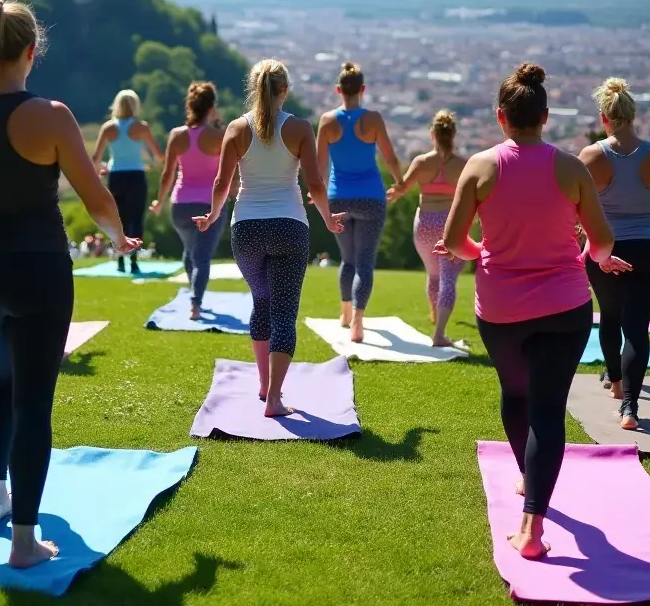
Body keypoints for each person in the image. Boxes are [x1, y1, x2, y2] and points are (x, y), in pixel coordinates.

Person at [0, 0, 139, 570]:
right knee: (34, 401)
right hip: (38, 271)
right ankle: (23, 543)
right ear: (31, 52)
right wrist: (116, 238)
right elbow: (98, 199)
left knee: (5, 379)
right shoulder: (53, 116)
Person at [441, 63, 625, 560]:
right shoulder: (570, 168)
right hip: (565, 304)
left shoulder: (479, 167)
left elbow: (455, 242)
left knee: (516, 393)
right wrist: (588, 257)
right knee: (548, 409)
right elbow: (603, 241)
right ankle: (533, 527)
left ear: (502, 117)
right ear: (544, 116)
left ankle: (529, 480)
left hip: (499, 306)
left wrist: (483, 252)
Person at [194, 59, 344, 418]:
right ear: (285, 90)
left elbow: (221, 184)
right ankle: (274, 398)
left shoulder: (235, 128)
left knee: (261, 303)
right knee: (284, 314)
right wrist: (327, 217)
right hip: (290, 227)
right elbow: (316, 183)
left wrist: (214, 215)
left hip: (245, 228)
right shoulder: (299, 128)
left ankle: (264, 386)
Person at [579, 78, 650, 431]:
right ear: (632, 115)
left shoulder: (592, 155)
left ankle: (616, 382)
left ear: (604, 117)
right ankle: (630, 408)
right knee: (637, 327)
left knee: (609, 314)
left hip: (608, 247)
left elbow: (576, 206)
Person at [316, 62, 403, 342]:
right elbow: (390, 157)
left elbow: (319, 164)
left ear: (338, 90)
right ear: (363, 90)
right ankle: (357, 321)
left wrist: (315, 192)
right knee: (364, 263)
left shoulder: (327, 121)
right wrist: (400, 183)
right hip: (371, 198)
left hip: (337, 198)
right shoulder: (374, 119)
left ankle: (343, 312)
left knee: (348, 260)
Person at [388, 111, 468, 346]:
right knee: (449, 277)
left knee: (434, 275)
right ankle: (440, 333)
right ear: (453, 134)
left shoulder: (421, 162)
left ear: (432, 134)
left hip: (423, 224)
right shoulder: (463, 165)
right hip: (448, 224)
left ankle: (435, 317)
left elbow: (401, 188)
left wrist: (391, 193)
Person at [150, 82, 226, 320]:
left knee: (191, 251)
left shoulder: (176, 135)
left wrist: (159, 202)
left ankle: (194, 295)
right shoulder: (219, 136)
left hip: (180, 206)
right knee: (201, 257)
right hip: (209, 206)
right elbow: (229, 173)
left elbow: (167, 174)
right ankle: (196, 303)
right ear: (212, 107)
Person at [92, 89, 162, 274]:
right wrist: (152, 166)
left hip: (116, 176)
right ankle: (133, 258)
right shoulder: (141, 127)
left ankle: (119, 258)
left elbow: (96, 157)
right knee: (136, 218)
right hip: (136, 176)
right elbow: (158, 155)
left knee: (118, 218)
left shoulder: (108, 127)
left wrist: (99, 172)